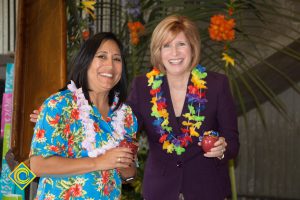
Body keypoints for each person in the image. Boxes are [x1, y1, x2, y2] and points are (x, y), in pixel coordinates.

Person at [126, 15, 239, 200]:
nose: (175, 53)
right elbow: (125, 128)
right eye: (166, 46)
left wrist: (222, 149)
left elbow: (233, 143)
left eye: (181, 44)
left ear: (192, 47)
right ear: (158, 51)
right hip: (160, 191)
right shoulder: (143, 87)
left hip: (207, 190)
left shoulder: (217, 85)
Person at [29, 32, 138, 200]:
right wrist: (100, 162)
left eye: (117, 59)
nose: (110, 65)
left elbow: (130, 174)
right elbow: (38, 165)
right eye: (102, 56)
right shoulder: (59, 104)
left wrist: (124, 167)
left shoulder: (126, 114)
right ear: (86, 61)